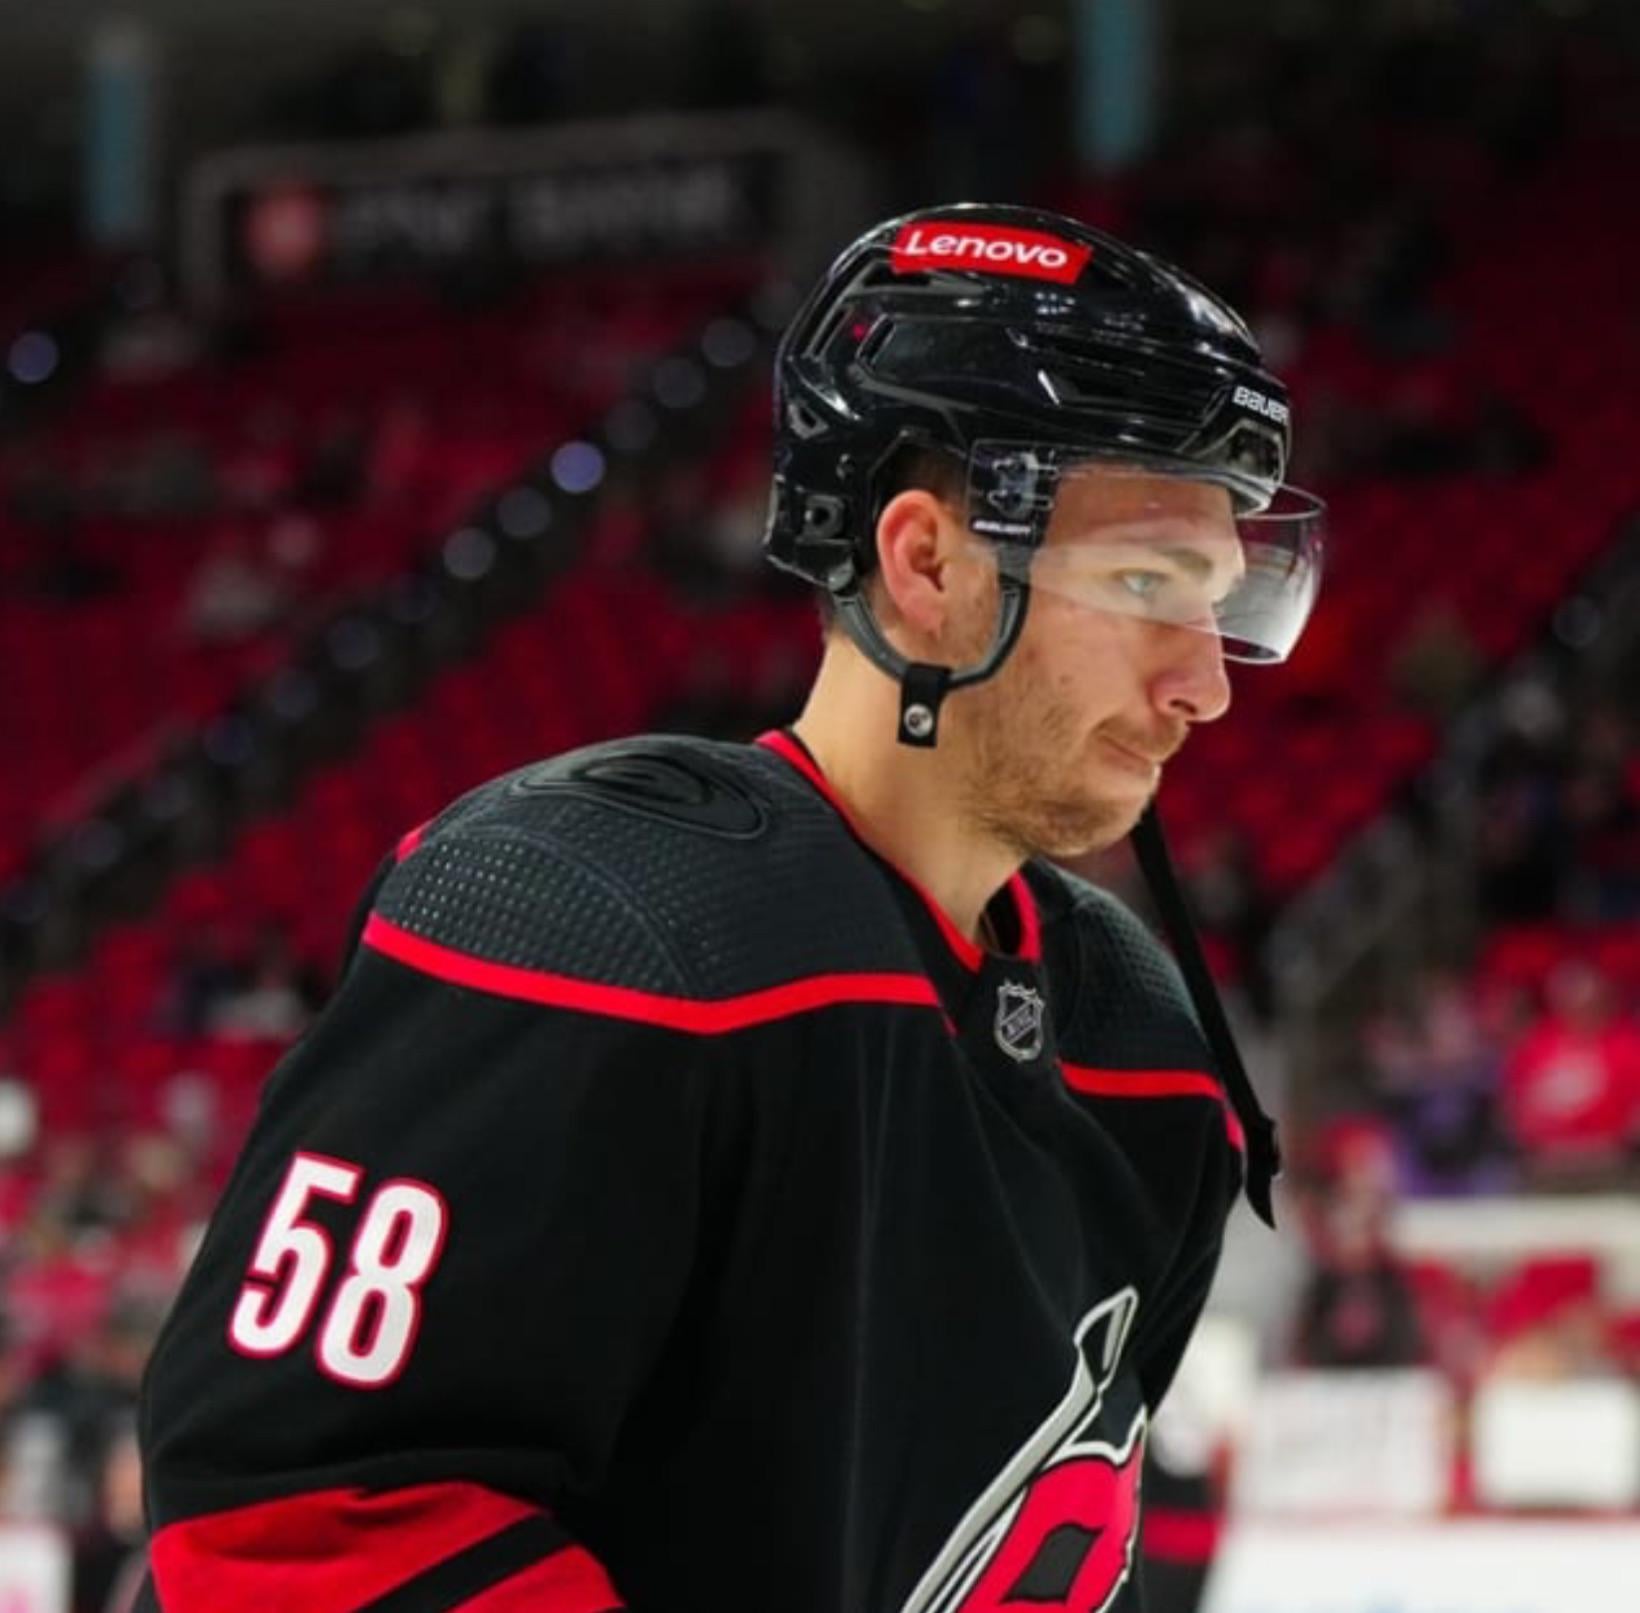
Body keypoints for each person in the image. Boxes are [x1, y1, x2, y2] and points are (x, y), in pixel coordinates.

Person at [135, 205, 1325, 1612]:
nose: (1206, 682)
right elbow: (299, 1520)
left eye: (1219, 596)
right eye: (1143, 584)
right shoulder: (595, 916)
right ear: (929, 566)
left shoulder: (1142, 1048)